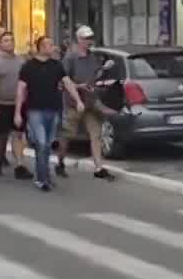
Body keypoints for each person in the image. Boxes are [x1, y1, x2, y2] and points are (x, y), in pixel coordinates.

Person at [59, 26, 113, 180]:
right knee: (68, 136)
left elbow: (95, 76)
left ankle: (99, 168)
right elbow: (62, 82)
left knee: (95, 135)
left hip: (90, 102)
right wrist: (78, 86)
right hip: (73, 104)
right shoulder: (70, 58)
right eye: (86, 38)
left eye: (91, 38)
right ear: (79, 40)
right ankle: (61, 161)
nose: (90, 41)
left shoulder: (92, 57)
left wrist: (103, 69)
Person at [15, 35, 68, 191]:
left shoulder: (57, 65)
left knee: (47, 145)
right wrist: (18, 112)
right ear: (42, 47)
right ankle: (42, 179)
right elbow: (20, 90)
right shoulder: (28, 67)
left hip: (53, 110)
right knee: (42, 143)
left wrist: (78, 100)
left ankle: (45, 176)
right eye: (49, 45)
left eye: (52, 44)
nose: (52, 47)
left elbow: (67, 82)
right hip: (35, 111)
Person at [0, 31, 32, 179]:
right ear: (0, 44)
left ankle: (19, 165)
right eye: (6, 41)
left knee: (18, 134)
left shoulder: (21, 61)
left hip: (18, 104)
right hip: (0, 103)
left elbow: (26, 83)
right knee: (0, 135)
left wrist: (26, 99)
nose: (9, 43)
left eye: (12, 40)